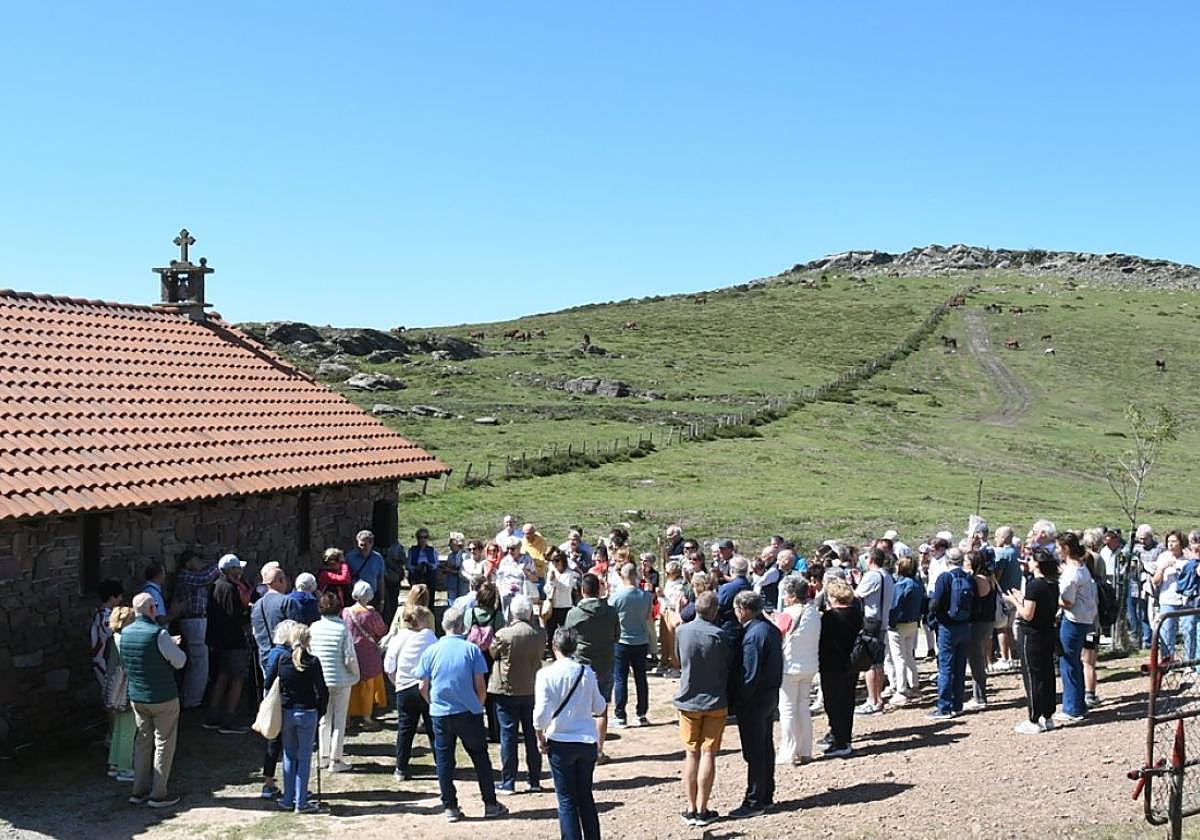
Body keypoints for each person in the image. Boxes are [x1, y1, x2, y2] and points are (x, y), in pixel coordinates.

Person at [415, 607, 509, 823]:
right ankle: (490, 804)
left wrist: (433, 703)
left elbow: (422, 686)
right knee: (480, 758)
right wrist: (479, 706)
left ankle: (450, 806)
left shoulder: (431, 651)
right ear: (462, 626)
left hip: (440, 713)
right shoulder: (472, 650)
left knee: (445, 761)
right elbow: (480, 686)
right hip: (468, 712)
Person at [534, 628, 607, 840]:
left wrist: (540, 738)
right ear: (575, 647)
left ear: (554, 646)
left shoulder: (545, 674)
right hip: (586, 741)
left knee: (566, 800)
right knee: (585, 796)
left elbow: (540, 716)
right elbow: (599, 706)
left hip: (560, 742)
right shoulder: (587, 672)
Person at [121, 592, 187, 808]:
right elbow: (179, 662)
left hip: (137, 696)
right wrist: (173, 645)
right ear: (151, 609)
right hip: (162, 697)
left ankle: (138, 790)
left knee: (142, 742)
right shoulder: (157, 633)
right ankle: (158, 793)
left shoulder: (125, 633)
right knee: (164, 743)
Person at [673, 591, 729, 827]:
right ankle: (704, 809)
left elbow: (677, 660)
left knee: (691, 754)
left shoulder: (681, 631)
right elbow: (728, 665)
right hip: (715, 700)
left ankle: (691, 807)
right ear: (715, 612)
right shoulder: (720, 635)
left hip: (688, 700)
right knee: (709, 754)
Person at [265, 623, 328, 814]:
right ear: (308, 640)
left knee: (289, 756)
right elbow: (322, 690)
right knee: (304, 757)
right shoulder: (313, 661)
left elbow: (268, 682)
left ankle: (287, 799)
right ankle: (301, 802)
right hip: (308, 713)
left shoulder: (282, 659)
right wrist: (321, 711)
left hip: (287, 712)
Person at [730, 591, 782, 818]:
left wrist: (738, 699)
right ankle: (766, 794)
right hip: (770, 697)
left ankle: (754, 800)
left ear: (743, 610)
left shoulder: (753, 635)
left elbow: (748, 676)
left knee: (754, 752)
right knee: (765, 747)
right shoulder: (769, 628)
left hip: (755, 702)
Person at [489, 595, 547, 793]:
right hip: (531, 689)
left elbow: (493, 653)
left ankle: (509, 781)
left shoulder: (504, 634)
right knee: (532, 735)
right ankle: (534, 780)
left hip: (508, 690)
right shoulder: (539, 634)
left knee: (508, 735)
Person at [564, 573, 620, 764]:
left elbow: (567, 639)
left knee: (579, 708)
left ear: (582, 591)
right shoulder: (611, 612)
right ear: (599, 589)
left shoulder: (574, 614)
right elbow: (616, 636)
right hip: (604, 664)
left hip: (581, 666)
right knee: (601, 709)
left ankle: (580, 750)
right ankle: (597, 751)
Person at [1005, 548, 1060, 733]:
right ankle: (1048, 715)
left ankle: (1034, 719)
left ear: (1037, 563)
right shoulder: (1052, 583)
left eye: (1029, 559)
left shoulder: (1035, 585)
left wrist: (1014, 601)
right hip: (1047, 632)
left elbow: (1028, 614)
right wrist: (1023, 598)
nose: (1027, 562)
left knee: (1032, 675)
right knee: (1047, 674)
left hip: (1032, 635)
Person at [384, 605, 437, 781]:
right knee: (433, 728)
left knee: (405, 729)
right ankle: (442, 764)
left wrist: (396, 681)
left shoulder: (399, 638)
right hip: (427, 686)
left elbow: (389, 665)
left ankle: (401, 768)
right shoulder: (430, 636)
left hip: (404, 687)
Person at [308, 591, 359, 772]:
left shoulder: (313, 628)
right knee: (339, 720)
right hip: (341, 679)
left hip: (320, 680)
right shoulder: (342, 629)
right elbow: (349, 657)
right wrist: (355, 675)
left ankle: (323, 755)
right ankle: (335, 760)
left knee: (323, 718)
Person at [776, 576, 820, 765]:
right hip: (809, 665)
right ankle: (805, 750)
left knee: (787, 710)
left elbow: (778, 635)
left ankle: (789, 751)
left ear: (793, 595)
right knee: (803, 708)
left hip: (790, 667)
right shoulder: (814, 611)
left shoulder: (788, 614)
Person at [204, 554, 250, 734]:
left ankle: (213, 717)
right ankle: (229, 720)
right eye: (238, 567)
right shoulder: (229, 588)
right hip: (233, 641)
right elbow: (235, 616)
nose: (240, 571)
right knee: (237, 679)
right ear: (231, 569)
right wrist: (248, 614)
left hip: (219, 641)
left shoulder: (215, 585)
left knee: (222, 678)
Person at [927, 547, 973, 720]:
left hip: (947, 626)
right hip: (964, 625)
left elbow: (935, 603)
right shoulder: (968, 577)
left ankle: (944, 707)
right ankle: (957, 704)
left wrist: (933, 618)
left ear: (947, 560)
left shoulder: (944, 578)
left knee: (945, 667)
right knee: (960, 667)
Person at [819, 577, 862, 758]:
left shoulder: (830, 617)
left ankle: (839, 740)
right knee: (847, 701)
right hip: (852, 664)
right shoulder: (857, 614)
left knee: (833, 703)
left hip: (831, 665)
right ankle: (845, 737)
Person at [1058, 532, 1098, 724]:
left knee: (1068, 662)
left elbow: (1067, 600)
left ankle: (1072, 707)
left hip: (1074, 620)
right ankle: (1078, 704)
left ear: (1065, 549)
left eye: (1059, 547)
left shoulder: (1072, 572)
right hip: (1085, 619)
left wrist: (1053, 600)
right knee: (1075, 662)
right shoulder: (1081, 567)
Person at [258, 619, 299, 800]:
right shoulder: (285, 655)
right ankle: (292, 786)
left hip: (272, 701)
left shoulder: (272, 652)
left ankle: (269, 783)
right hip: (282, 702)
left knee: (273, 743)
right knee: (289, 745)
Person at [172, 551, 219, 709]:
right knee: (199, 662)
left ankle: (191, 697)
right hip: (193, 620)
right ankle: (192, 701)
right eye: (196, 559)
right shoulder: (185, 575)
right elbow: (204, 578)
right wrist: (221, 565)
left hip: (197, 620)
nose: (199, 563)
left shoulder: (190, 576)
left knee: (197, 661)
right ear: (188, 563)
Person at [610, 562, 653, 728]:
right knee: (641, 678)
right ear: (636, 575)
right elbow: (648, 616)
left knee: (620, 678)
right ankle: (641, 714)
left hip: (621, 641)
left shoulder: (616, 596)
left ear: (622, 576)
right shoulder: (645, 596)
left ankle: (620, 715)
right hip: (641, 640)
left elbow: (611, 617)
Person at [343, 581, 388, 731]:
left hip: (351, 653)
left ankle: (347, 717)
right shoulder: (371, 614)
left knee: (350, 685)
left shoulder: (345, 612)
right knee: (367, 686)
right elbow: (382, 631)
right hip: (369, 654)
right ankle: (367, 718)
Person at [853, 547, 894, 715]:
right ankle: (878, 699)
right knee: (879, 662)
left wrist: (856, 582)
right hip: (883, 621)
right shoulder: (887, 576)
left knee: (869, 663)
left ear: (870, 560)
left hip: (871, 622)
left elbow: (857, 594)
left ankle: (872, 699)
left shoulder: (872, 576)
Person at [104, 606, 137, 783]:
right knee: (128, 729)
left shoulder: (114, 638)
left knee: (119, 727)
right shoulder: (124, 640)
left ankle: (115, 763)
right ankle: (125, 768)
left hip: (114, 689)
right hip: (125, 689)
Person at [887, 555, 924, 705]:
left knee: (899, 657)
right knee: (909, 655)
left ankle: (901, 689)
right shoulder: (917, 583)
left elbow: (896, 605)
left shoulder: (901, 585)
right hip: (913, 622)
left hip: (899, 624)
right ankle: (914, 685)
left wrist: (891, 622)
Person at [963, 550, 997, 711]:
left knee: (976, 659)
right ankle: (979, 695)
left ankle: (980, 697)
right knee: (978, 658)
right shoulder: (990, 577)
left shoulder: (977, 580)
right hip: (987, 621)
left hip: (978, 623)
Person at [992, 526, 1022, 670]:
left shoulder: (1002, 554)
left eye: (996, 536)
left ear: (1003, 538)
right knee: (1009, 627)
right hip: (1014, 595)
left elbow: (997, 575)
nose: (995, 539)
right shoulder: (1015, 552)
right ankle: (1012, 656)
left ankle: (1004, 658)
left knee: (1001, 628)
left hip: (1003, 595)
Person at [544, 548, 580, 653]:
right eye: (552, 560)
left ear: (562, 561)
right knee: (550, 630)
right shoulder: (552, 572)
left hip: (565, 606)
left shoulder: (569, 574)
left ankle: (565, 651)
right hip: (553, 606)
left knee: (566, 631)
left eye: (557, 560)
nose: (554, 563)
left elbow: (567, 589)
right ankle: (551, 650)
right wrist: (550, 582)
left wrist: (555, 581)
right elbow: (546, 589)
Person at [346, 529, 385, 609]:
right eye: (361, 545)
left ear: (372, 544)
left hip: (372, 597)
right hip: (355, 597)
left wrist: (382, 600)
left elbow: (380, 579)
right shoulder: (350, 557)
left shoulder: (378, 558)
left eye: (366, 545)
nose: (363, 548)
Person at [441, 532, 468, 605]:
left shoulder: (464, 555)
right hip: (451, 584)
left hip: (461, 585)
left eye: (451, 542)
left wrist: (449, 570)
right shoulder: (451, 555)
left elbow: (463, 571)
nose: (449, 545)